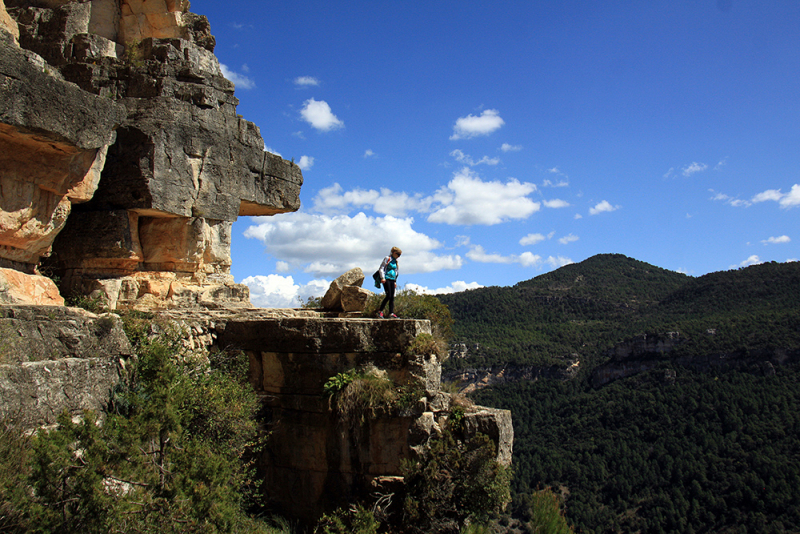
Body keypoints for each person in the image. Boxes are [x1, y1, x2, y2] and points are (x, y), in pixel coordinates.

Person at [378, 246, 401, 318]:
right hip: (386, 278)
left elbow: (396, 271)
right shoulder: (387, 258)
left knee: (392, 297)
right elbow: (381, 268)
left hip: (392, 279)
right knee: (388, 295)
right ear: (394, 253)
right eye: (398, 254)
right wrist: (382, 277)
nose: (398, 256)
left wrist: (394, 281)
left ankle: (391, 313)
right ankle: (380, 311)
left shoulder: (395, 261)